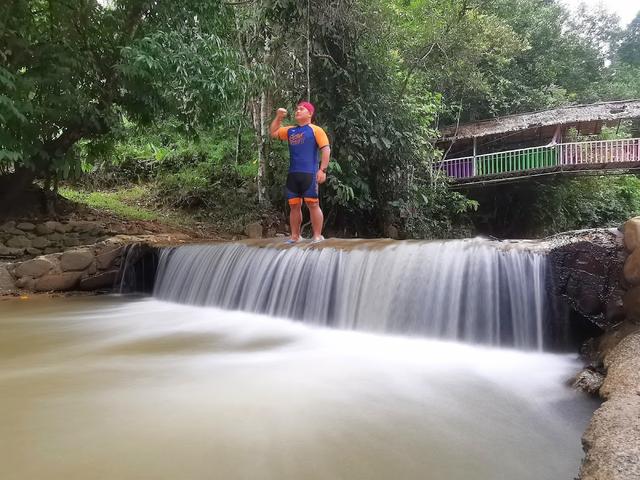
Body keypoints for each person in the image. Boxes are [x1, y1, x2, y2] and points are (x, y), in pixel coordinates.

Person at [270, 101, 331, 243]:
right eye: (297, 109)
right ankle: (295, 236)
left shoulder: (315, 130)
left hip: (309, 174)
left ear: (309, 113)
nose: (297, 111)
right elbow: (273, 133)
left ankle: (317, 235)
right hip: (293, 174)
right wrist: (278, 117)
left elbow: (326, 149)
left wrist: (322, 170)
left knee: (313, 204)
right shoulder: (291, 130)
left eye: (301, 109)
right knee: (294, 205)